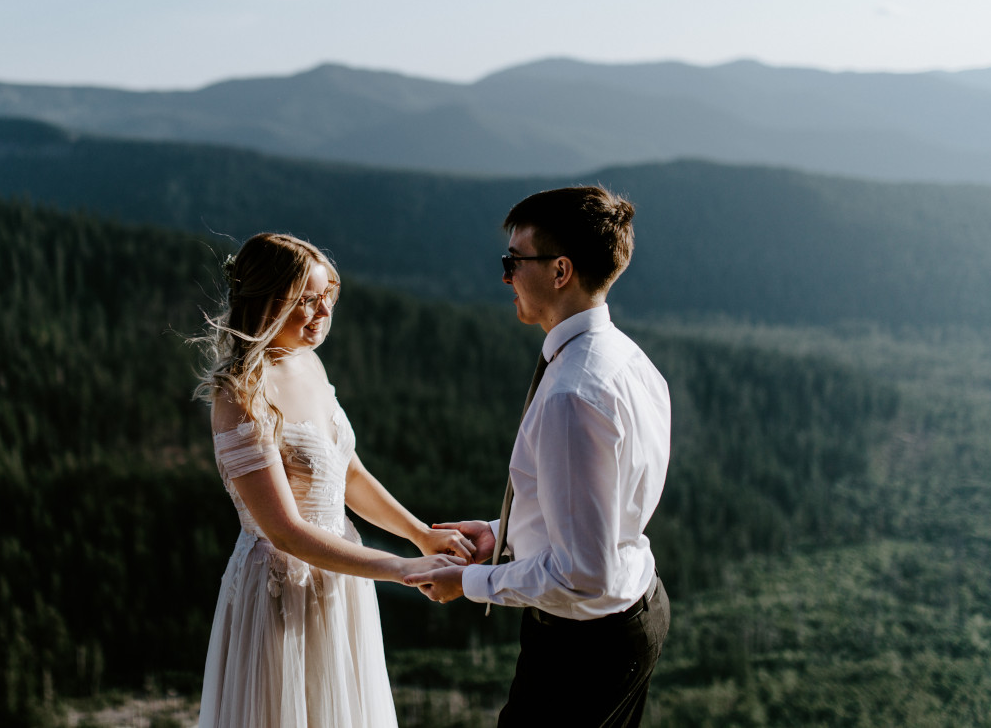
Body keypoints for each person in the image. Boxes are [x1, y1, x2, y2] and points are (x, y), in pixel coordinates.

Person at [405, 186, 672, 728]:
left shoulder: (572, 394)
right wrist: (501, 535)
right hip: (632, 611)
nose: (505, 277)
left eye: (514, 261)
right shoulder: (628, 358)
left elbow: (582, 574)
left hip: (582, 647)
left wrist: (468, 583)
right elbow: (597, 511)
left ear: (560, 271)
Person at [194, 232, 471, 728]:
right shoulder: (240, 394)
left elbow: (350, 473)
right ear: (264, 301)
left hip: (341, 575)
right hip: (281, 587)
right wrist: (403, 568)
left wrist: (421, 533)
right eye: (306, 301)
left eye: (328, 298)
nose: (323, 313)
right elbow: (284, 530)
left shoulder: (309, 363)